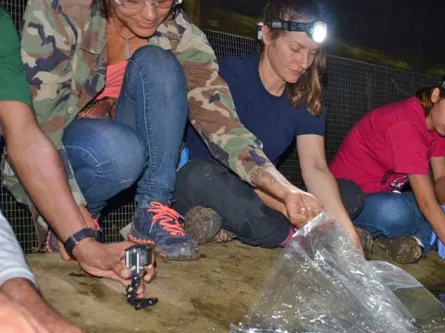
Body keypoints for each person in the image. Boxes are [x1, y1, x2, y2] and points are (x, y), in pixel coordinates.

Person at [6, 0, 322, 261]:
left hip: (126, 152)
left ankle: (152, 210)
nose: (149, 14)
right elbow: (38, 128)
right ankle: (75, 219)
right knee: (119, 151)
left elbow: (224, 125)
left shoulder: (180, 34)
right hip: (58, 157)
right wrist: (71, 215)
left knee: (159, 63)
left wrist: (286, 190)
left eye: (162, 1)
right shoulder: (62, 11)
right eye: (131, 0)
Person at [175, 0, 365, 253]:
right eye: (296, 48)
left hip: (269, 190)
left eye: (312, 52)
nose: (305, 62)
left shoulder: (306, 96)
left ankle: (235, 224)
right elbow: (221, 166)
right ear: (267, 35)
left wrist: (352, 244)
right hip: (220, 179)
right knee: (200, 178)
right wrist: (286, 203)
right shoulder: (227, 76)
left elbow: (316, 168)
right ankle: (295, 238)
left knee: (348, 195)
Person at [1, 5, 154, 300]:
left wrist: (83, 244)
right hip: (68, 135)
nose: (149, 12)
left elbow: (26, 138)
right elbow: (44, 119)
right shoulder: (61, 10)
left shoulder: (1, 28)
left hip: (81, 144)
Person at [330, 69, 445, 286]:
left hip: (390, 197)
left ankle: (416, 242)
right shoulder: (407, 123)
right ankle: (418, 233)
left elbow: (442, 179)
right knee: (396, 212)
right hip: (352, 202)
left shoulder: (438, 127)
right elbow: (428, 204)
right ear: (436, 96)